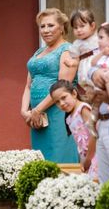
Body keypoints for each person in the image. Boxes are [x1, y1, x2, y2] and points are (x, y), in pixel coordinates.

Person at [21, 8, 78, 163]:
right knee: (42, 159)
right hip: (37, 118)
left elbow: (62, 86)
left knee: (60, 157)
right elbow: (28, 85)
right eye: (42, 26)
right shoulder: (39, 52)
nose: (45, 30)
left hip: (58, 112)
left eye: (50, 25)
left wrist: (38, 109)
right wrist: (25, 111)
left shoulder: (68, 50)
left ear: (61, 28)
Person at [50, 80, 97, 177]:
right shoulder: (70, 117)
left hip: (95, 157)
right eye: (57, 102)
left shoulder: (83, 109)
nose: (61, 103)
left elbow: (94, 134)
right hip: (86, 160)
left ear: (74, 93)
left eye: (64, 98)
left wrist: (88, 159)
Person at [66, 9, 98, 92]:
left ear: (92, 26)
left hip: (97, 66)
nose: (78, 30)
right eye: (75, 27)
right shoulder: (77, 43)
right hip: (84, 69)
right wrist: (71, 62)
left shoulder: (98, 38)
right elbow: (75, 58)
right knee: (86, 90)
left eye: (82, 26)